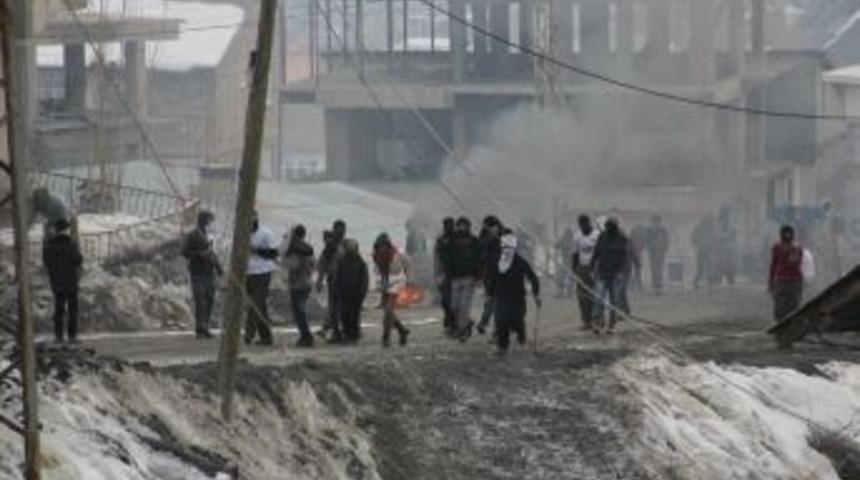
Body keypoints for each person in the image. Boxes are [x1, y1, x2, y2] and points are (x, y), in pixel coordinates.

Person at [490, 233, 540, 355]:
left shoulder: (520, 262)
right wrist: (490, 292)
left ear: (514, 248)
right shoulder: (496, 261)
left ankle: (521, 340)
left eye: (510, 248)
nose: (507, 251)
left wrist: (536, 294)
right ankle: (502, 347)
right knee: (501, 322)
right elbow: (490, 277)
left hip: (517, 297)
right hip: (501, 296)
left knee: (517, 320)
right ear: (501, 247)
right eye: (505, 248)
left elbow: (533, 277)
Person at [181, 210, 222, 339]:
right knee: (201, 302)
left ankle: (206, 327)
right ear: (203, 220)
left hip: (209, 272)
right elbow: (184, 252)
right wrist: (199, 254)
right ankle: (200, 329)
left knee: (209, 300)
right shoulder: (193, 235)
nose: (211, 223)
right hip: (197, 273)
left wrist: (219, 267)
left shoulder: (209, 235)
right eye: (209, 220)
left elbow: (212, 253)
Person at [43, 218, 83, 344]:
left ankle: (58, 336)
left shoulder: (49, 245)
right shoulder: (72, 244)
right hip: (71, 281)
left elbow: (47, 262)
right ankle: (72, 336)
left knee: (59, 309)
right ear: (67, 229)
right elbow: (77, 260)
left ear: (56, 229)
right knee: (72, 310)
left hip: (57, 282)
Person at [444, 217, 481, 341]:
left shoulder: (474, 241)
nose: (462, 227)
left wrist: (478, 277)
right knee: (454, 306)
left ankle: (463, 330)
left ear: (468, 226)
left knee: (464, 306)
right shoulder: (451, 240)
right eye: (460, 225)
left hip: (468, 277)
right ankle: (465, 325)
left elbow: (478, 260)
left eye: (464, 225)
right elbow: (446, 257)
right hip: (455, 277)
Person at [591, 219, 630, 334]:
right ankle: (597, 323)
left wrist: (621, 272)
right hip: (602, 273)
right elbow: (596, 252)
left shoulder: (622, 239)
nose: (609, 229)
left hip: (615, 274)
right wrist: (592, 265)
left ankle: (611, 325)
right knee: (599, 299)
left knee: (614, 301)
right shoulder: (602, 237)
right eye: (607, 227)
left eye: (611, 227)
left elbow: (624, 257)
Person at [245, 212, 278, 346]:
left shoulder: (266, 233)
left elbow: (274, 253)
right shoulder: (243, 233)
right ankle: (266, 337)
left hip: (263, 272)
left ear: (256, 221)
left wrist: (256, 250)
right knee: (260, 306)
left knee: (255, 303)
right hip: (248, 273)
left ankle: (249, 334)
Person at [373, 233, 411, 347]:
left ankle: (386, 337)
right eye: (380, 246)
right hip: (385, 283)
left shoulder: (399, 254)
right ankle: (402, 330)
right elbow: (377, 272)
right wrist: (379, 286)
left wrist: (408, 279)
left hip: (398, 282)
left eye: (384, 245)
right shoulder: (376, 256)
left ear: (388, 245)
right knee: (387, 312)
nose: (382, 248)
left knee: (388, 310)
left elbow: (408, 265)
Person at [284, 224, 315, 347]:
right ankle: (305, 336)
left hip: (298, 286)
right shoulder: (307, 250)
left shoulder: (298, 253)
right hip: (305, 284)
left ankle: (306, 337)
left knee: (299, 313)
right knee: (300, 312)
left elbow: (292, 266)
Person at [336, 238, 369, 343]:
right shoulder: (342, 262)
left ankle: (353, 335)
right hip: (345, 292)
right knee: (345, 315)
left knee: (354, 315)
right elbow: (338, 277)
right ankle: (347, 334)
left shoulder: (361, 263)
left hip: (356, 293)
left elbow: (364, 280)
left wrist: (362, 293)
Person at [768, 225, 804, 322]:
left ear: (792, 235)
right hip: (781, 280)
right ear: (781, 234)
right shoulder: (776, 247)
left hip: (795, 280)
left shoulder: (797, 247)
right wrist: (770, 281)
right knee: (779, 304)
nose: (787, 235)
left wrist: (789, 252)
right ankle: (779, 323)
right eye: (785, 233)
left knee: (794, 304)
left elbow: (796, 263)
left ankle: (792, 324)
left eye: (789, 233)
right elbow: (773, 264)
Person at [316, 229, 345, 342]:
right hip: (332, 283)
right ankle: (336, 333)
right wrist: (319, 282)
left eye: (329, 239)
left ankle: (338, 333)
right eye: (325, 239)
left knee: (338, 309)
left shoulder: (340, 251)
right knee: (333, 309)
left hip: (341, 284)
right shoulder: (326, 252)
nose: (327, 241)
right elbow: (321, 268)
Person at [476, 215, 503, 336]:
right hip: (490, 273)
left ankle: (496, 327)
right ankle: (484, 323)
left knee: (498, 302)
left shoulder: (503, 237)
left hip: (502, 273)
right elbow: (481, 255)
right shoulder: (484, 238)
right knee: (491, 300)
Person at [572, 215, 599, 331]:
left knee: (594, 295)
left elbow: (600, 253)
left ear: (589, 223)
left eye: (585, 224)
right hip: (581, 268)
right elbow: (575, 254)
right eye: (581, 225)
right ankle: (586, 321)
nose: (583, 227)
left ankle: (596, 320)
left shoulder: (597, 235)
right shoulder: (577, 235)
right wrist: (574, 270)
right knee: (582, 296)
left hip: (595, 268)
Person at [434, 217, 456, 336]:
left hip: (455, 274)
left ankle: (452, 323)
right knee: (446, 301)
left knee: (451, 301)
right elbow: (437, 258)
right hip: (445, 274)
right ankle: (449, 323)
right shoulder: (441, 240)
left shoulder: (457, 239)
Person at [645, 215, 670, 296]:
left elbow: (666, 241)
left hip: (660, 252)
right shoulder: (649, 230)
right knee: (654, 270)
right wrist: (650, 247)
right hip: (652, 253)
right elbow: (647, 241)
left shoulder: (663, 230)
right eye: (654, 221)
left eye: (656, 221)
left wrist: (664, 249)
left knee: (659, 269)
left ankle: (659, 287)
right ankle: (655, 287)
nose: (655, 223)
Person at [713, 207, 737, 286]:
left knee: (730, 264)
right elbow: (717, 236)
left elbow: (733, 235)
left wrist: (732, 236)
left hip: (729, 247)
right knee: (719, 264)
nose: (727, 216)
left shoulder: (731, 223)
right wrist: (727, 237)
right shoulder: (717, 224)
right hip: (720, 247)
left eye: (727, 214)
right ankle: (718, 279)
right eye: (726, 214)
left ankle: (730, 279)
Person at [555, 227, 575, 298]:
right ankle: (564, 292)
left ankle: (568, 292)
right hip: (565, 261)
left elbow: (557, 245)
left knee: (568, 277)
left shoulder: (572, 241)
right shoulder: (566, 240)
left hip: (569, 261)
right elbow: (556, 245)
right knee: (563, 277)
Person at [627, 224, 647, 292]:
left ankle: (637, 286)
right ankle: (635, 286)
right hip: (634, 256)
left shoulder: (639, 238)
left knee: (637, 272)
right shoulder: (633, 238)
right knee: (634, 271)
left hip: (636, 256)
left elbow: (642, 246)